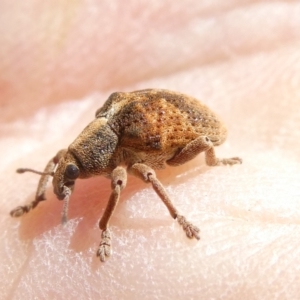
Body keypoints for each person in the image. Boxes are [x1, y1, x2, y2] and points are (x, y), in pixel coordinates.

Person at [1, 1, 299, 299]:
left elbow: (132, 180)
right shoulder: (95, 137)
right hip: (147, 112)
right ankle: (35, 201)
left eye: (72, 172)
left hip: (195, 127)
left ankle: (184, 205)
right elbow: (60, 158)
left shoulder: (126, 148)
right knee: (64, 160)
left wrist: (104, 230)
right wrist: (40, 198)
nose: (65, 175)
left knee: (162, 170)